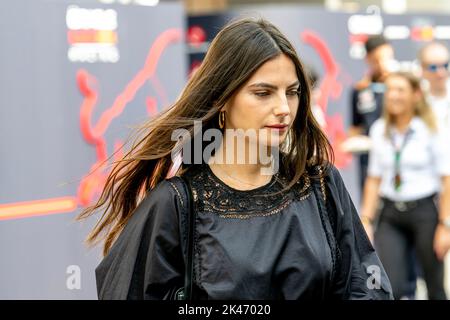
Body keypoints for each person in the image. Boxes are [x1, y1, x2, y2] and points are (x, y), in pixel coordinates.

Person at [79, 18, 392, 300]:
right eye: (263, 93)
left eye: (292, 92)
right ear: (222, 100)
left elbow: (367, 284)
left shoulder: (321, 185)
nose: (284, 107)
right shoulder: (176, 204)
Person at [360, 72, 450, 300]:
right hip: (391, 214)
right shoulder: (379, 130)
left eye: (400, 90)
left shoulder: (431, 129)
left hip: (425, 213)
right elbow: (373, 179)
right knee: (392, 288)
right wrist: (366, 221)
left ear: (416, 95)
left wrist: (445, 225)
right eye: (389, 90)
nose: (393, 96)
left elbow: (447, 179)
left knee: (435, 288)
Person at [349, 35, 395, 190]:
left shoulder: (400, 88)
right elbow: (355, 128)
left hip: (396, 158)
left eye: (386, 58)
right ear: (368, 59)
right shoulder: (360, 90)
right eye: (377, 60)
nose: (382, 65)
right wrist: (354, 142)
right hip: (369, 161)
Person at [419, 41, 450, 133]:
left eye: (445, 65)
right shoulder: (415, 100)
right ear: (422, 69)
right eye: (433, 67)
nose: (441, 73)